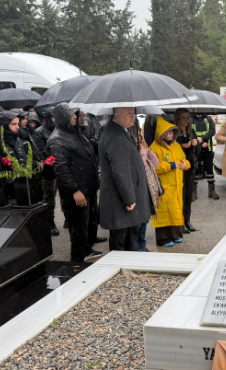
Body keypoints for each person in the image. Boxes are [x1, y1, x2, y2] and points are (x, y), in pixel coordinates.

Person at [47, 103, 101, 262]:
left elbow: (90, 150)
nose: (76, 117)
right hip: (77, 191)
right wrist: (75, 190)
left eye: (76, 114)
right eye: (72, 114)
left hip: (89, 187)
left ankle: (87, 249)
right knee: (78, 226)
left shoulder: (77, 133)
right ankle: (77, 259)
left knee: (90, 223)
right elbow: (61, 169)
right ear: (63, 117)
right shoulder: (57, 139)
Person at [99, 107, 153, 252]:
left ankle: (129, 264)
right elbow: (120, 171)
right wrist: (129, 199)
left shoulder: (120, 132)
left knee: (129, 241)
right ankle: (123, 266)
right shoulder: (115, 136)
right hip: (121, 202)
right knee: (121, 244)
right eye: (129, 114)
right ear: (117, 116)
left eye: (133, 113)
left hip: (124, 202)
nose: (133, 117)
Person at [149, 117, 189, 247]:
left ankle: (176, 235)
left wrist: (185, 164)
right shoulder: (154, 148)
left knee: (175, 211)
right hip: (163, 187)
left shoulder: (176, 146)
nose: (171, 135)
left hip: (176, 186)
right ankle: (163, 238)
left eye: (172, 132)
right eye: (168, 132)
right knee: (163, 213)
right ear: (161, 133)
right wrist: (169, 165)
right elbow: (152, 167)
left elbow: (184, 160)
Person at [33, 108, 59, 236]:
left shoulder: (57, 130)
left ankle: (67, 219)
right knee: (49, 198)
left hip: (60, 168)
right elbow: (42, 152)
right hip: (48, 171)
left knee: (65, 197)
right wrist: (55, 157)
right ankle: (50, 222)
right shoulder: (39, 132)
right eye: (54, 118)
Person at [174, 108, 198, 233]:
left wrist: (195, 144)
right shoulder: (173, 132)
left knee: (188, 196)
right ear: (178, 118)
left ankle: (187, 221)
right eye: (183, 117)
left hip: (190, 167)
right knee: (180, 196)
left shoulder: (191, 131)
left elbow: (197, 151)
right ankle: (180, 222)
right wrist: (181, 146)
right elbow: (169, 148)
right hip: (178, 168)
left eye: (188, 117)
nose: (186, 120)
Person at [191, 113, 219, 199]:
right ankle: (193, 193)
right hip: (195, 149)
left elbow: (212, 131)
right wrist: (199, 143)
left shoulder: (208, 119)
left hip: (208, 148)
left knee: (209, 170)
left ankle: (212, 191)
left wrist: (203, 139)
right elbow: (189, 132)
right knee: (195, 170)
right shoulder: (191, 119)